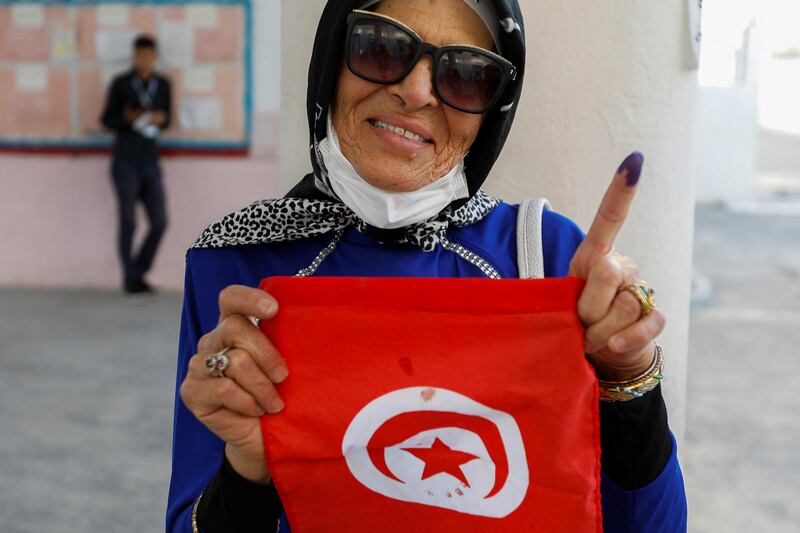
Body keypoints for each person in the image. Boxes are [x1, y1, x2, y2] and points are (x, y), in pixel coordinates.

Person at [167, 1, 687, 531]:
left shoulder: (551, 260)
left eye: (466, 75)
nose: (415, 92)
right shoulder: (234, 262)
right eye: (381, 46)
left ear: (491, 111)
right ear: (331, 59)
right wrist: (247, 473)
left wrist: (629, 380)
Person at [101, 34, 171, 294]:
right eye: (138, 55)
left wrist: (159, 119)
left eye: (147, 55)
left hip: (150, 160)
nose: (142, 61)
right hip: (126, 161)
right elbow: (107, 120)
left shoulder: (162, 85)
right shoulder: (121, 84)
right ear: (134, 56)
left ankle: (138, 272)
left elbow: (167, 119)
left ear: (154, 56)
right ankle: (129, 279)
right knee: (128, 220)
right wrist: (128, 119)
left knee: (160, 221)